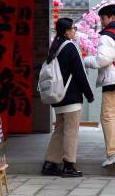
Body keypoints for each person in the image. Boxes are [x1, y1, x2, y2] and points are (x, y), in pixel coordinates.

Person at [41, 18, 94, 177]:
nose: (75, 30)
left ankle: (50, 163)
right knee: (71, 131)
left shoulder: (55, 47)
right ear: (66, 31)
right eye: (73, 28)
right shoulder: (71, 47)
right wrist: (89, 95)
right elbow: (80, 73)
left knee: (59, 130)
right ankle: (68, 165)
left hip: (58, 95)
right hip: (71, 96)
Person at [84, 4, 115, 168]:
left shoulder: (108, 35)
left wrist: (87, 61)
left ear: (112, 17)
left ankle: (113, 153)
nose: (102, 22)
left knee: (108, 116)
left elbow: (102, 60)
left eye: (103, 18)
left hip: (114, 81)